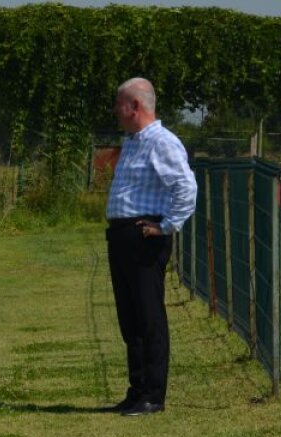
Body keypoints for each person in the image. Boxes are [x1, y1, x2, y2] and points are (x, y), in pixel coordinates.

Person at [104, 77, 197, 416]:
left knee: (148, 316)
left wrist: (167, 226)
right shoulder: (132, 141)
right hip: (123, 236)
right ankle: (137, 389)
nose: (116, 109)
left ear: (136, 107)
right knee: (130, 318)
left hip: (144, 236)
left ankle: (153, 395)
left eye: (120, 103)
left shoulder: (162, 142)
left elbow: (186, 187)